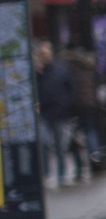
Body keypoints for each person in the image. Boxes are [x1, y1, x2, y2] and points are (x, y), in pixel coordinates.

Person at [33, 41, 77, 187]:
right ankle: (46, 174)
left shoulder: (62, 69)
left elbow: (71, 88)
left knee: (60, 146)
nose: (44, 56)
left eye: (46, 53)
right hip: (44, 113)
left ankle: (62, 175)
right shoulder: (38, 72)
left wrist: (66, 104)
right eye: (42, 54)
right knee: (45, 144)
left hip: (60, 113)